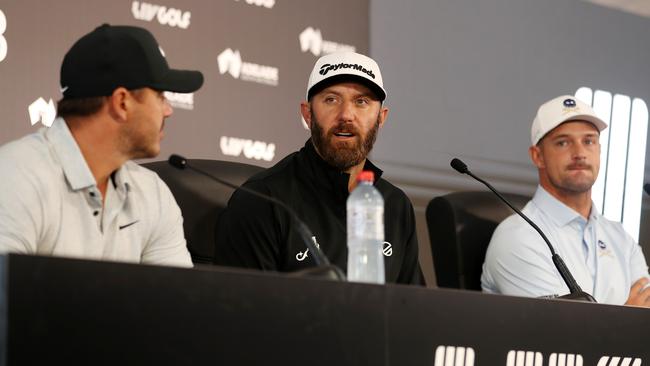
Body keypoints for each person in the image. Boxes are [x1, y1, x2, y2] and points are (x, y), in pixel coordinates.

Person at [0, 24, 204, 267]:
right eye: (160, 97)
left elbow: (177, 300)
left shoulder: (153, 193)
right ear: (122, 103)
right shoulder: (15, 177)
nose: (168, 110)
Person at [214, 51, 422, 284]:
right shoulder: (263, 199)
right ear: (307, 114)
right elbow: (243, 312)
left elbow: (413, 310)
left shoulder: (394, 204)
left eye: (361, 101)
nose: (346, 115)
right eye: (331, 99)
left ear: (381, 118)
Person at [481, 95, 650, 306]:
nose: (579, 153)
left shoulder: (622, 239)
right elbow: (562, 334)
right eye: (563, 143)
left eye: (589, 141)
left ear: (599, 150)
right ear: (537, 156)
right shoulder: (519, 237)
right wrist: (629, 315)